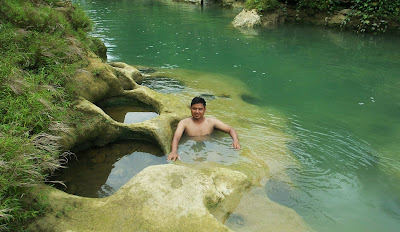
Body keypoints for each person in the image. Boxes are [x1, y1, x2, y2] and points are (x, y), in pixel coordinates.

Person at [167, 97, 240, 161]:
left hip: (208, 146)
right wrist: (174, 151)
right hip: (189, 147)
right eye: (194, 109)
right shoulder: (184, 123)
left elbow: (230, 129)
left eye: (200, 109)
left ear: (204, 110)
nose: (197, 112)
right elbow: (176, 138)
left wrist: (235, 141)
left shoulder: (211, 122)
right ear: (191, 108)